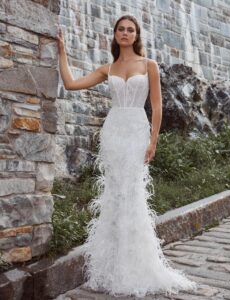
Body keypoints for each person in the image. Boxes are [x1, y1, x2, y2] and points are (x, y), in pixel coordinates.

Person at [57, 14, 198, 298]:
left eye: (130, 29)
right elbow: (71, 83)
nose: (125, 33)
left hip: (136, 131)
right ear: (115, 35)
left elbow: (156, 107)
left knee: (132, 193)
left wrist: (153, 141)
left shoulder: (149, 66)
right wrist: (62, 52)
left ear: (136, 35)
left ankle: (136, 267)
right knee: (114, 194)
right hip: (113, 132)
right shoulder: (107, 68)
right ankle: (111, 269)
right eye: (121, 29)